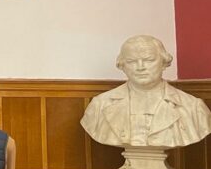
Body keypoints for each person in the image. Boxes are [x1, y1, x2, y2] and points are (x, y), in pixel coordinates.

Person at [81, 35, 211, 147]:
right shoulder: (100, 105)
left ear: (164, 62)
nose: (140, 67)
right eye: (131, 61)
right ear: (122, 65)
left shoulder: (193, 107)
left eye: (149, 60)